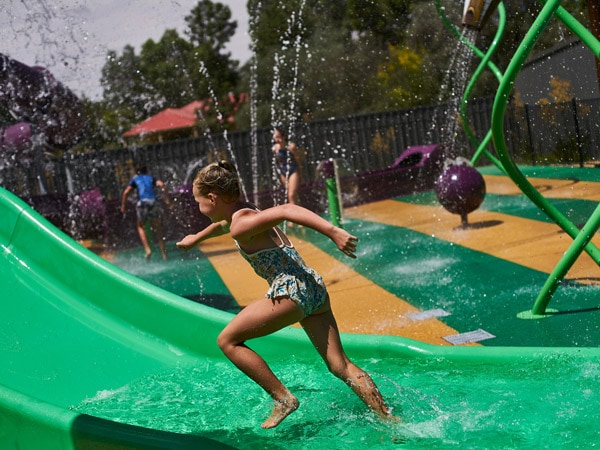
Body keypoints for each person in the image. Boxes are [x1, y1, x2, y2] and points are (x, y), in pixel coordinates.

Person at [176, 160, 395, 429]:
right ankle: (391, 420)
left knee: (228, 341)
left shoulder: (241, 225)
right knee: (341, 366)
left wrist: (332, 231)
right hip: (314, 288)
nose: (199, 209)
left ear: (213, 198)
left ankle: (283, 399)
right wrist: (194, 238)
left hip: (291, 290)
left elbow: (287, 210)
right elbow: (221, 226)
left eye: (199, 202)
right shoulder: (246, 213)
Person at [120, 165, 170, 260]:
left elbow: (126, 192)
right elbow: (162, 185)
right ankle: (164, 254)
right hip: (153, 202)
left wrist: (123, 206)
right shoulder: (151, 178)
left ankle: (147, 249)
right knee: (158, 228)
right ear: (146, 171)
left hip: (142, 203)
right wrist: (167, 200)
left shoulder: (135, 179)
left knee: (140, 226)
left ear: (136, 172)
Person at [272, 127, 300, 206]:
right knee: (293, 196)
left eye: (278, 137)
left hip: (293, 171)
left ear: (284, 137)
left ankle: (295, 216)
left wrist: (301, 174)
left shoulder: (291, 147)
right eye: (275, 137)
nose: (276, 140)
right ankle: (301, 212)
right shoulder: (275, 148)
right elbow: (278, 161)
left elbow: (298, 160)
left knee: (291, 195)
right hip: (283, 172)